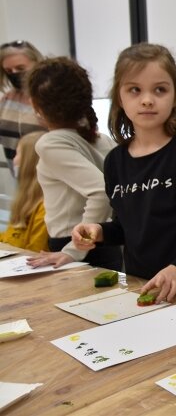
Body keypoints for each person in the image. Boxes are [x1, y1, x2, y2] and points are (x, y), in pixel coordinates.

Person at [71, 43, 176, 302]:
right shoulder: (114, 162)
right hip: (140, 287)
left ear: (175, 96)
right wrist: (99, 232)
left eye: (160, 90)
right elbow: (127, 227)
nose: (147, 99)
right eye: (135, 90)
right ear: (120, 98)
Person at [23, 57, 122, 270]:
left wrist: (73, 250)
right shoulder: (100, 139)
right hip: (104, 245)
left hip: (77, 246)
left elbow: (100, 191)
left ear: (35, 104)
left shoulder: (51, 143)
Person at [0, 40, 47, 174]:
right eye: (8, 71)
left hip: (50, 179)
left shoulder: (52, 98)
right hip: (21, 181)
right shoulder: (7, 100)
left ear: (37, 64)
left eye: (20, 68)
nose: (14, 74)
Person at [0, 131, 48, 251]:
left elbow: (34, 252)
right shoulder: (24, 201)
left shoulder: (45, 206)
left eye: (17, 153)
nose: (14, 159)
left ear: (30, 161)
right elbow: (9, 238)